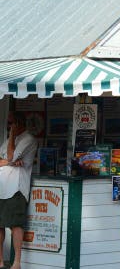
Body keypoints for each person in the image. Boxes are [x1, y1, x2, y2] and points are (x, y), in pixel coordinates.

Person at [0, 111, 38, 269]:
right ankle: (0, 262)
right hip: (2, 186)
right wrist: (11, 160)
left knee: (16, 225)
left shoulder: (28, 139)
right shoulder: (10, 139)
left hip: (16, 188)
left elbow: (9, 156)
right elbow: (5, 159)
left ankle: (17, 262)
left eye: (11, 124)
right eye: (9, 124)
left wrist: (10, 158)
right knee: (0, 225)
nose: (9, 127)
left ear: (18, 123)